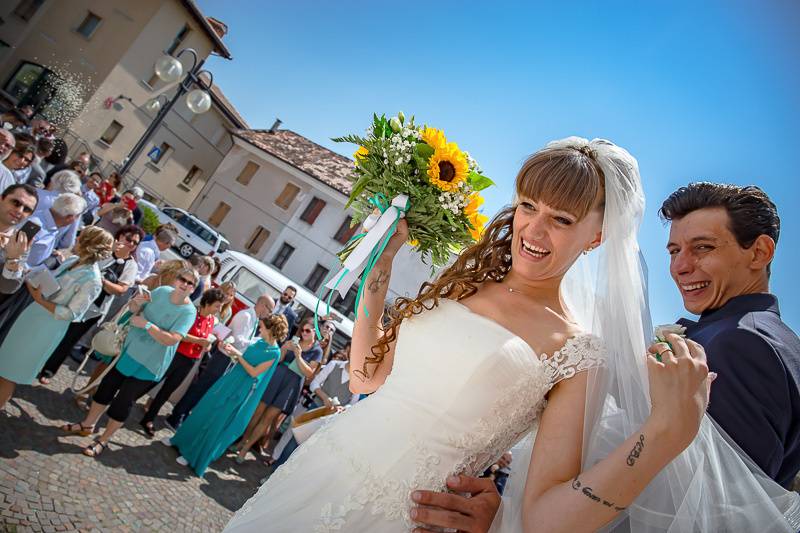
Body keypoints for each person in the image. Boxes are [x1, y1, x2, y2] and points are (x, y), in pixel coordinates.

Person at [223, 138, 797, 533]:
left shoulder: (578, 351)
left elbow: (547, 516)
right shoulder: (464, 281)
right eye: (528, 206)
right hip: (316, 474)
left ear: (596, 237)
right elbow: (366, 379)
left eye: (562, 219)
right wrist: (377, 277)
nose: (534, 229)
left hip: (397, 514)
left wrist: (666, 435)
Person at [660, 182, 800, 488]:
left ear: (759, 252)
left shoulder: (740, 344)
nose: (680, 266)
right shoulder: (776, 338)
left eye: (702, 247)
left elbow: (730, 500)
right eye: (674, 251)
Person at [61, 267, 198, 457]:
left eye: (190, 283)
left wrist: (148, 325)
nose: (185, 284)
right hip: (127, 351)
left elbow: (172, 339)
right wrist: (136, 303)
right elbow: (134, 310)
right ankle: (87, 425)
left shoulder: (188, 312)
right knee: (105, 389)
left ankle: (103, 440)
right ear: (176, 279)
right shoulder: (161, 292)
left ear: (193, 289)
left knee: (123, 402)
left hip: (149, 364)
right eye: (183, 279)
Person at [0, 226, 113, 410]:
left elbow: (72, 314)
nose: (76, 238)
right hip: (31, 315)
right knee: (2, 361)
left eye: (80, 237)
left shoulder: (93, 280)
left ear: (88, 244)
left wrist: (40, 300)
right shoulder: (74, 260)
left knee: (8, 372)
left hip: (45, 327)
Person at [163, 314, 287, 477]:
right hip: (230, 379)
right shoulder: (260, 342)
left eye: (262, 326)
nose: (260, 328)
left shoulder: (274, 353)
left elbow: (253, 372)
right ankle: (180, 441)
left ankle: (193, 456)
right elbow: (245, 362)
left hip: (239, 390)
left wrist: (238, 354)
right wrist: (233, 354)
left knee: (215, 422)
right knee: (204, 409)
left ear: (271, 329)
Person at [37, 225, 143, 384]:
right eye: (129, 239)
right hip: (73, 295)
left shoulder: (131, 265)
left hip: (94, 308)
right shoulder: (105, 251)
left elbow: (121, 289)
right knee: (53, 328)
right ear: (119, 236)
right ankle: (36, 358)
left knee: (69, 339)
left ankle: (49, 370)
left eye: (135, 243)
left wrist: (102, 281)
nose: (131, 244)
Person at [166, 294, 275, 430]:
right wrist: (256, 342)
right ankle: (176, 416)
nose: (269, 313)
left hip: (228, 359)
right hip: (222, 358)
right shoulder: (246, 316)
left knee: (205, 389)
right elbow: (238, 339)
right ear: (263, 305)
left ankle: (184, 414)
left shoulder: (253, 319)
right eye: (270, 310)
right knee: (201, 386)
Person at [233, 317, 322, 463]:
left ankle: (245, 449)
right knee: (257, 412)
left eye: (307, 331)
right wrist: (284, 348)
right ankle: (242, 441)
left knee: (267, 419)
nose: (304, 333)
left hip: (291, 384)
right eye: (302, 330)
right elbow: (278, 359)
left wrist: (299, 355)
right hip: (277, 376)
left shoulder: (316, 351)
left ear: (315, 333)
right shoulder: (295, 340)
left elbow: (309, 374)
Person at [139, 288, 226, 437]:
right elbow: (180, 334)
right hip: (175, 354)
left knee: (168, 390)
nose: (219, 309)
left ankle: (149, 418)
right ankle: (127, 400)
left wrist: (208, 345)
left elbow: (205, 339)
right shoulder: (192, 313)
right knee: (153, 380)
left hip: (190, 360)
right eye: (217, 305)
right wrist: (199, 340)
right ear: (208, 303)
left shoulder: (211, 320)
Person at [25, 192, 86, 268]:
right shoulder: (34, 225)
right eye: (77, 217)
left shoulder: (51, 226)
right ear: (70, 217)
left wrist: (51, 252)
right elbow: (11, 253)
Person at [0, 184, 38, 294]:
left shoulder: (20, 243)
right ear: (1, 198)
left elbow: (8, 288)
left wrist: (13, 259)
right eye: (16, 203)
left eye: (26, 209)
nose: (19, 211)